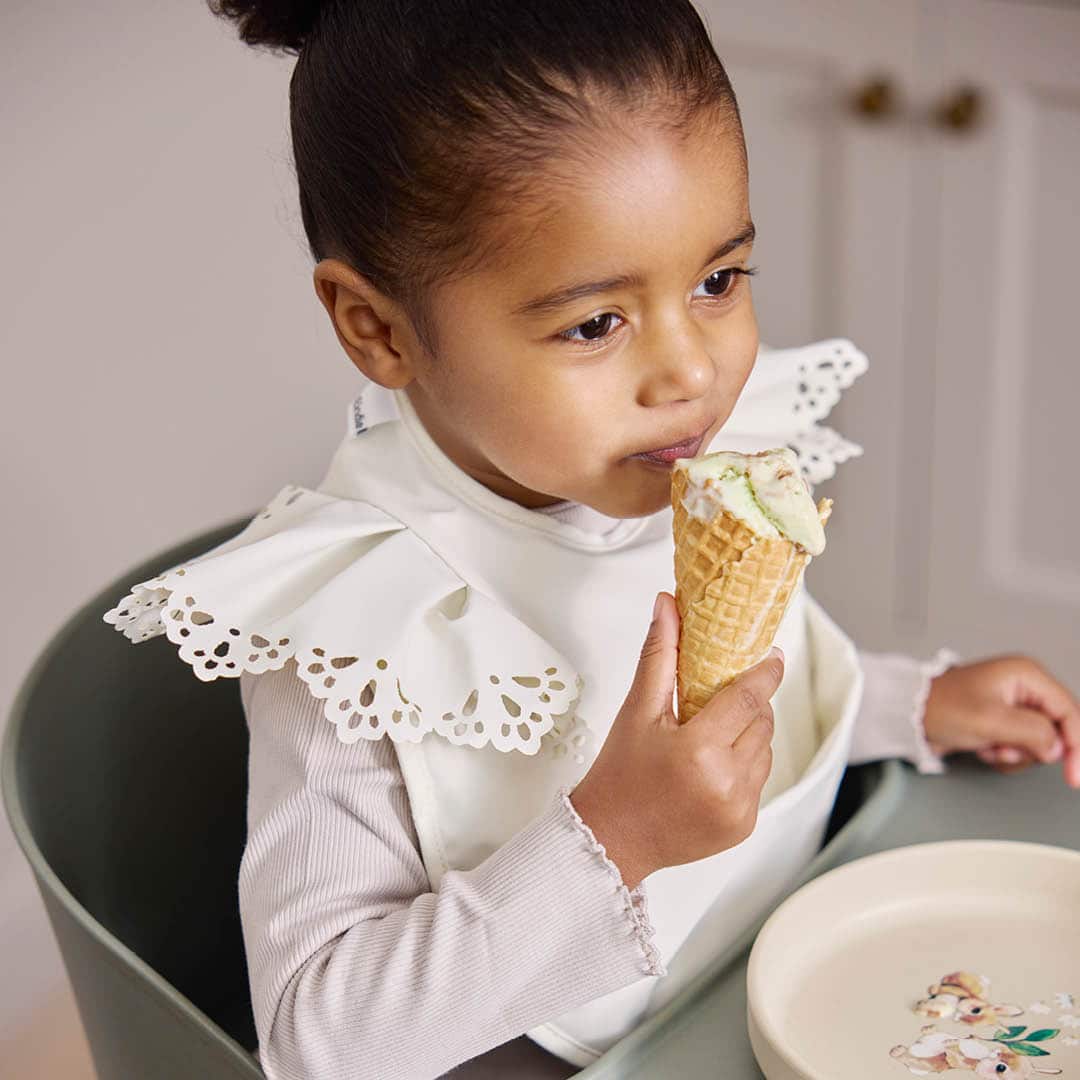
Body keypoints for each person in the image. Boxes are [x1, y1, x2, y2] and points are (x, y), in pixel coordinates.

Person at [102, 1, 1080, 1076]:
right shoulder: (355, 631)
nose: (691, 372)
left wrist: (907, 706)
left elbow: (737, 698)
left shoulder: (686, 464)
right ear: (377, 327)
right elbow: (319, 1043)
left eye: (717, 282)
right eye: (595, 323)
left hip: (760, 969)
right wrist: (616, 840)